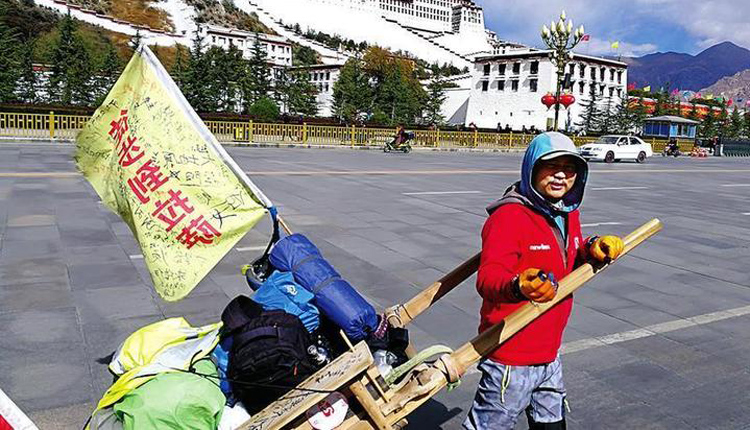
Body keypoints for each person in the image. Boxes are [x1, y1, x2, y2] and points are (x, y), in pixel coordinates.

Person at [463, 132, 624, 430]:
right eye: (552, 166)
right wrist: (518, 286)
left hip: (549, 353)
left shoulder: (566, 212)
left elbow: (568, 255)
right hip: (511, 356)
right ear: (532, 168)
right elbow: (488, 277)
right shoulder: (508, 216)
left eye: (569, 168)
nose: (561, 175)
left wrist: (592, 248)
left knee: (552, 425)